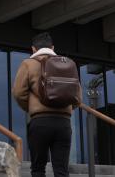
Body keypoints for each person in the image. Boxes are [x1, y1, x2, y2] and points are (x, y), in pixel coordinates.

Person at [12, 32, 81, 177]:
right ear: (53, 47)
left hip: (40, 122)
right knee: (61, 170)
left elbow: (19, 93)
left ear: (33, 49)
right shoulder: (68, 64)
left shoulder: (28, 64)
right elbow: (77, 98)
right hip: (64, 123)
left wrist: (31, 107)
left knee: (38, 169)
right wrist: (63, 106)